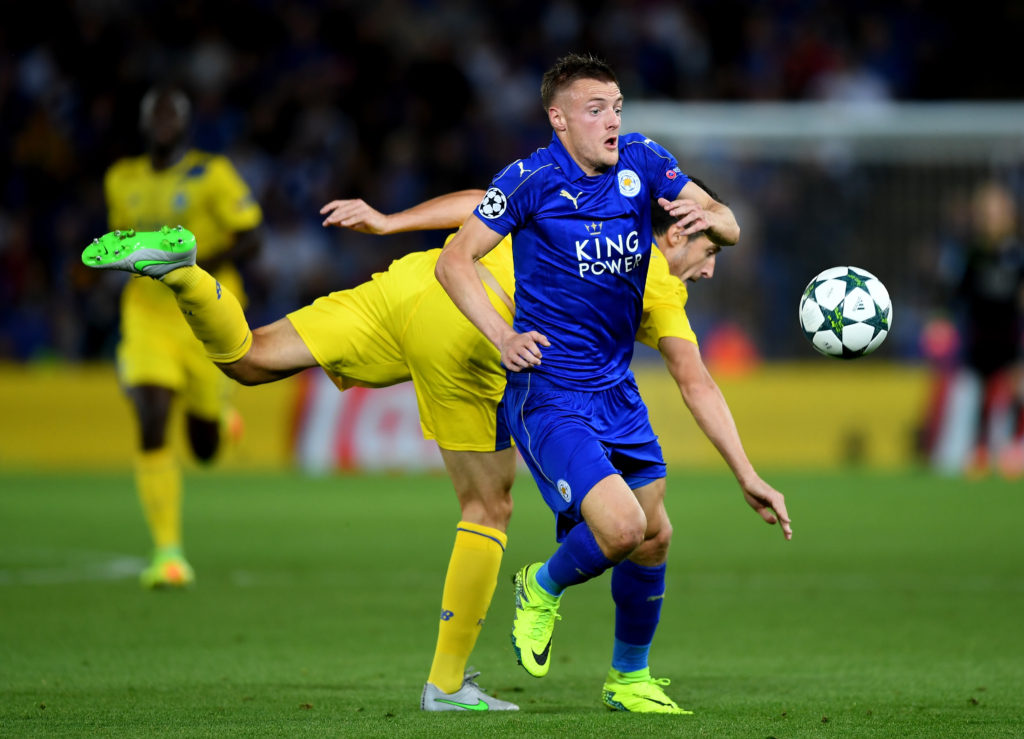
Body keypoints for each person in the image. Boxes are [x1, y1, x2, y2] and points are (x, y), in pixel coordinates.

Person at [82, 174, 788, 712]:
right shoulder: (653, 277)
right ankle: (448, 683)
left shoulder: (583, 195)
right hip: (469, 327)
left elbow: (484, 199)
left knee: (250, 358)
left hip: (417, 278)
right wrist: (748, 472)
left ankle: (184, 272)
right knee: (487, 508)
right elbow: (694, 379)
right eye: (712, 244)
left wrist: (391, 221)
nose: (714, 264)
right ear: (681, 223)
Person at [434, 53, 791, 714]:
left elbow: (727, 222)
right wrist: (502, 336)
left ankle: (628, 677)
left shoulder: (644, 162)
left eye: (618, 107)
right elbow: (455, 262)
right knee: (623, 526)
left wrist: (717, 222)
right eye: (595, 109)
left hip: (616, 392)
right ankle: (539, 585)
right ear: (558, 118)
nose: (611, 121)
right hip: (550, 393)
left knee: (656, 533)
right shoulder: (527, 180)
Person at [102, 85, 263, 588]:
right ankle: (168, 554)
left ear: (187, 124)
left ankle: (220, 417)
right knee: (151, 417)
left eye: (175, 114)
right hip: (147, 315)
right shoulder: (121, 179)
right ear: (146, 122)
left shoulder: (211, 174)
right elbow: (122, 241)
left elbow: (252, 238)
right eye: (158, 114)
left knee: (205, 448)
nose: (166, 121)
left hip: (205, 311)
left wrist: (191, 267)